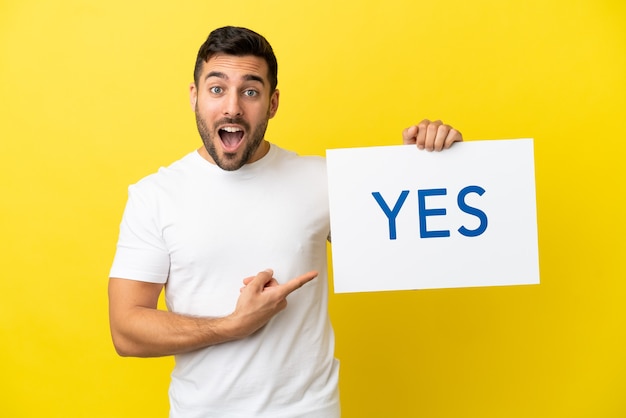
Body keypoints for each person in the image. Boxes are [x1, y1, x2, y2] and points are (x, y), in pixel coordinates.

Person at [108, 26, 462, 418]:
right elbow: (126, 329)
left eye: (251, 91)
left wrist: (429, 167)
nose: (232, 108)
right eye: (216, 89)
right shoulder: (154, 196)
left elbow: (410, 247)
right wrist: (232, 325)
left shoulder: (323, 179)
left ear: (272, 102)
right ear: (194, 97)